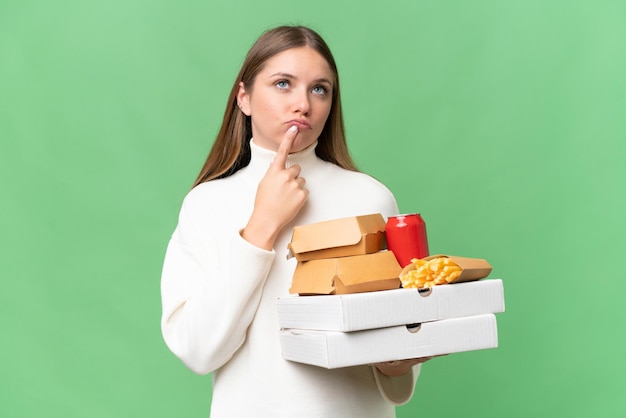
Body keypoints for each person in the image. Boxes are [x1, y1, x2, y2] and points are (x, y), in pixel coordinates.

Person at [160, 25, 432, 417]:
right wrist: (260, 228)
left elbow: (403, 337)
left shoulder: (371, 198)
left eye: (319, 89)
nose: (303, 103)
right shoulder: (207, 204)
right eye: (283, 83)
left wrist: (398, 361)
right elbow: (198, 350)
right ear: (244, 97)